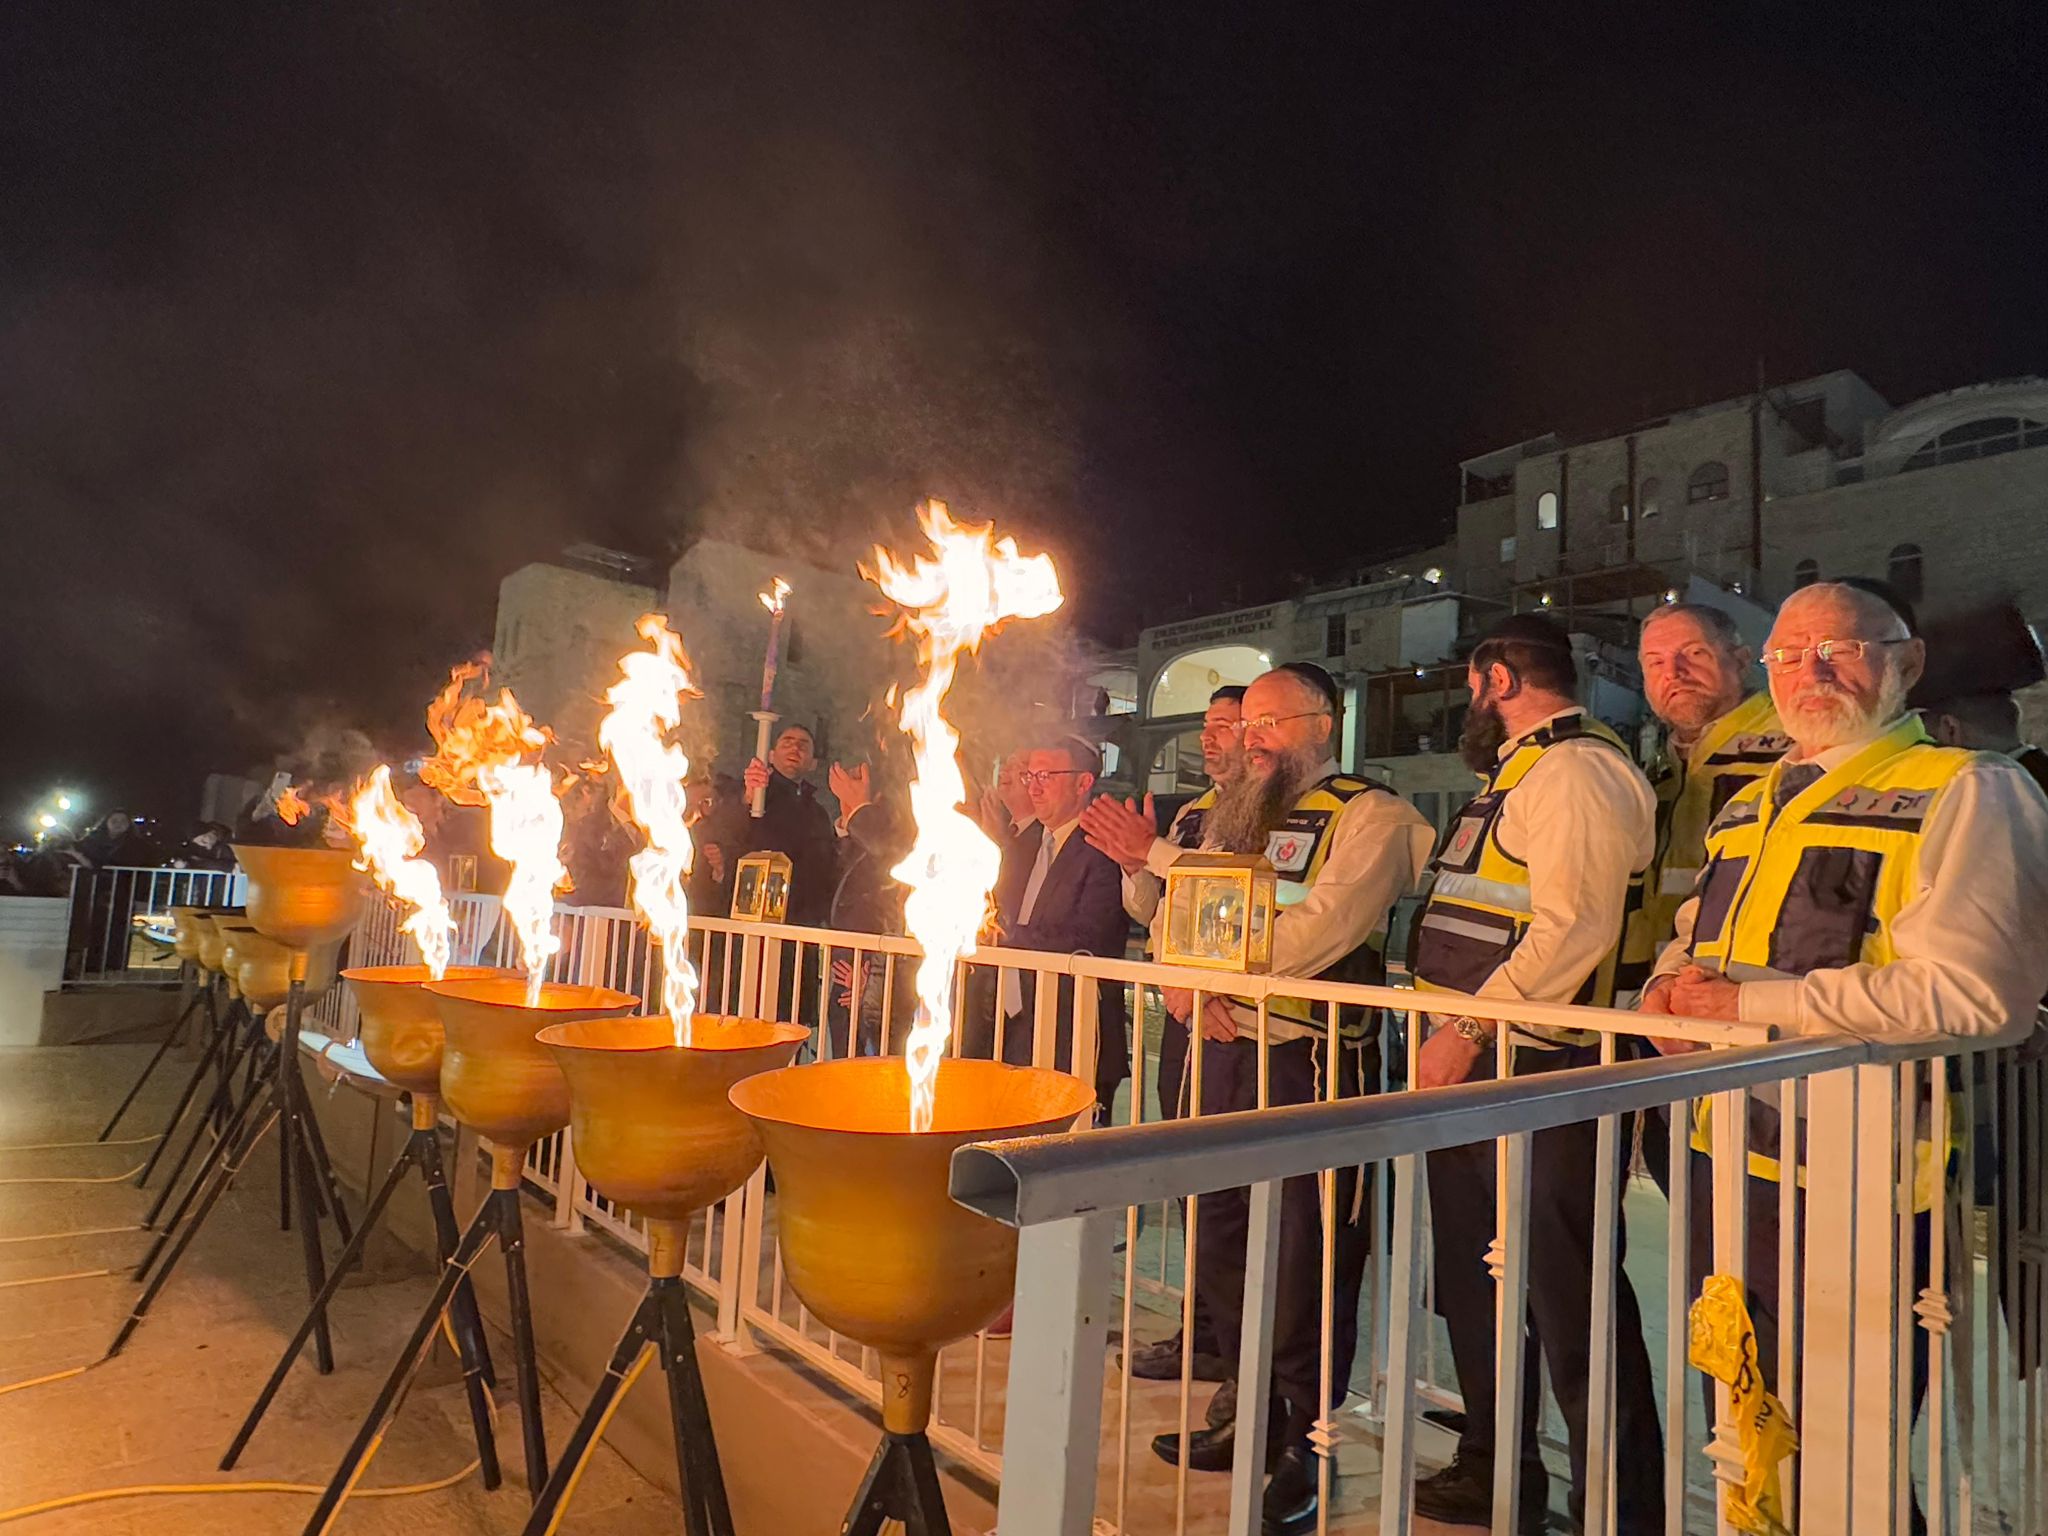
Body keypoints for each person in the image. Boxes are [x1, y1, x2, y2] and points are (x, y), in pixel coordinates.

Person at [1643, 583, 2048, 1498]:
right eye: (1788, 653)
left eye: (1842, 648)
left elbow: (1981, 996)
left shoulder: (1973, 790)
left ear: (1905, 664)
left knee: (1844, 1456)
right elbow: (1696, 937)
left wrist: (1743, 1009)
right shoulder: (1751, 805)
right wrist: (1665, 991)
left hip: (1859, 1178)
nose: (1810, 670)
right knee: (1748, 1430)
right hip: (1729, 1155)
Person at [1142, 663, 1432, 1536]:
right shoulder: (1235, 815)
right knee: (1221, 1233)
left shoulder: (1371, 816)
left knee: (1308, 1254)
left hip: (1307, 1061)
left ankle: (1307, 1446)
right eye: (1245, 723)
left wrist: (1211, 967)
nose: (1250, 737)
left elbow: (1324, 928)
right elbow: (1176, 913)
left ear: (1321, 723)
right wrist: (1183, 983)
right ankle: (1250, 1413)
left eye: (1269, 721)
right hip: (1216, 1052)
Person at [1406, 612, 1663, 1533]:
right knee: (1479, 1283)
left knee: (1572, 1300)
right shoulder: (1518, 771)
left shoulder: (1577, 772)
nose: (1466, 703)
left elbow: (1576, 928)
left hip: (1542, 1075)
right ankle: (1497, 1475)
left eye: (1471, 685)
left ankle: (1618, 1510)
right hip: (1482, 1072)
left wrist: (1464, 1029)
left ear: (1498, 679)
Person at [1079, 684, 1246, 1388]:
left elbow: (1239, 905)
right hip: (1182, 1013)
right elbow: (1156, 910)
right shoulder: (1195, 814)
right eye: (1206, 726)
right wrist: (1133, 866)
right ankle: (1200, 1326)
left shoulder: (1262, 813)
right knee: (1186, 1181)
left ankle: (1233, 1345)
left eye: (1227, 726)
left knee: (1227, 1188)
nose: (1210, 739)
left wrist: (1153, 854)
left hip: (1227, 1018)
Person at [996, 737, 1133, 1107]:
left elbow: (1091, 935)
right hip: (1011, 1021)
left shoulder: (1103, 848)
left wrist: (1005, 934)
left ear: (1083, 782)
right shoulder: (1025, 847)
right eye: (1029, 776)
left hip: (1071, 1025)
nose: (1034, 787)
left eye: (1046, 775)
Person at [739, 724, 841, 926]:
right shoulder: (757, 798)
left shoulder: (818, 814)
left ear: (812, 763)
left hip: (804, 922)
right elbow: (732, 830)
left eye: (803, 745)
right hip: (759, 915)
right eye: (787, 742)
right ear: (771, 754)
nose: (795, 749)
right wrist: (748, 797)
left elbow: (827, 867)